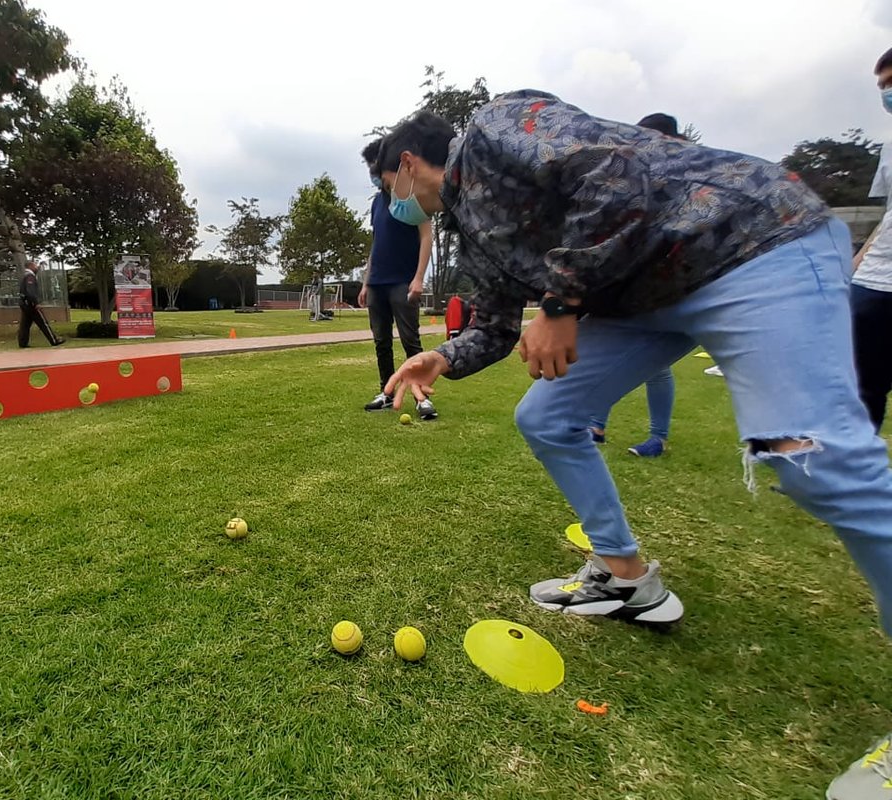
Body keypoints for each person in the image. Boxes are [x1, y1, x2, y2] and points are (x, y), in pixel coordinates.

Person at [377, 94, 892, 799]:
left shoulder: (499, 128)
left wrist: (559, 306)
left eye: (389, 190)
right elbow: (494, 326)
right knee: (548, 416)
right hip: (646, 299)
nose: (398, 206)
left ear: (406, 165)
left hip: (749, 241)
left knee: (812, 459)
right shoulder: (470, 229)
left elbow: (617, 172)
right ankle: (626, 579)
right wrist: (443, 359)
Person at [587, 113, 684, 457]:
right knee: (605, 349)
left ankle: (658, 437)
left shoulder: (685, 178)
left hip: (671, 283)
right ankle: (596, 425)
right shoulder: (638, 178)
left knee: (655, 362)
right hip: (633, 279)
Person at [358, 138, 437, 420]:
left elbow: (426, 235)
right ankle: (386, 392)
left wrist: (418, 278)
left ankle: (421, 398)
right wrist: (366, 282)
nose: (374, 175)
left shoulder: (413, 196)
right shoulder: (378, 203)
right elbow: (376, 242)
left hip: (402, 282)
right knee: (381, 342)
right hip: (377, 283)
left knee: (410, 342)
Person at [850, 47, 892, 434]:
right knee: (863, 385)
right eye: (883, 85)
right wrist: (860, 258)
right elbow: (888, 213)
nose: (886, 93)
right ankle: (853, 476)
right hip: (877, 282)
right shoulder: (891, 147)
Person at [17, 260, 64, 348]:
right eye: (35, 265)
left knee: (25, 324)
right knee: (43, 322)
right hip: (30, 304)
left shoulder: (25, 275)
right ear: (30, 266)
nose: (37, 267)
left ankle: (22, 342)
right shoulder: (30, 276)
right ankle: (54, 340)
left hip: (24, 303)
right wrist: (36, 303)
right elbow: (30, 291)